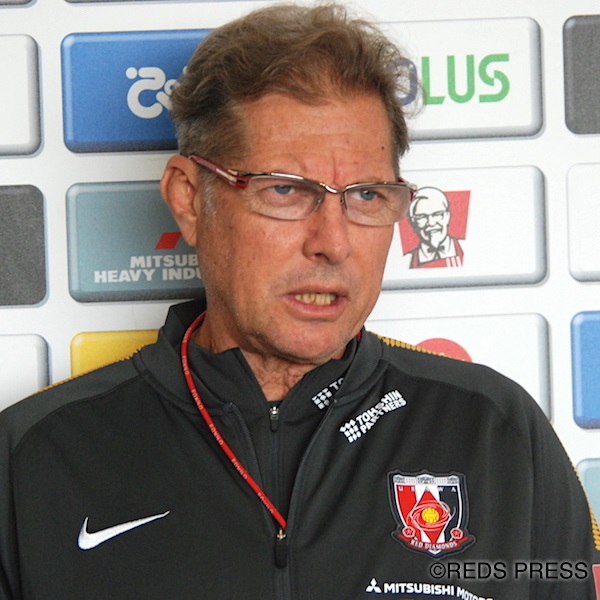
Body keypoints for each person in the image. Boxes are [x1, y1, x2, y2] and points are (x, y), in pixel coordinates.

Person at [1, 3, 598, 599]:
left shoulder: (498, 434)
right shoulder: (33, 458)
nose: (333, 243)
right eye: (285, 190)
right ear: (189, 199)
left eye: (367, 195)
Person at [406, 187, 465, 268]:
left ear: (447, 216)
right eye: (422, 217)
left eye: (437, 214)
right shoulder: (405, 261)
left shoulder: (469, 248)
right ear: (413, 221)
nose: (431, 223)